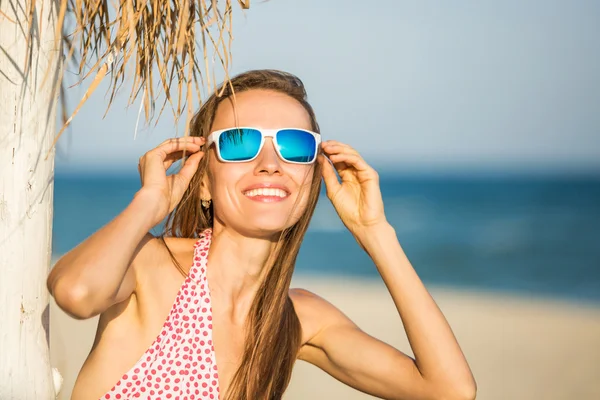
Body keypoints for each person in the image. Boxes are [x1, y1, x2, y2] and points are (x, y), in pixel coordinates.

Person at [48, 69, 476, 400]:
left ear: (312, 176)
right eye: (239, 143)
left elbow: (449, 390)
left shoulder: (295, 320)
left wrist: (375, 233)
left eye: (294, 145)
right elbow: (76, 292)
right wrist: (150, 203)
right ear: (203, 181)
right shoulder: (153, 267)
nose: (270, 162)